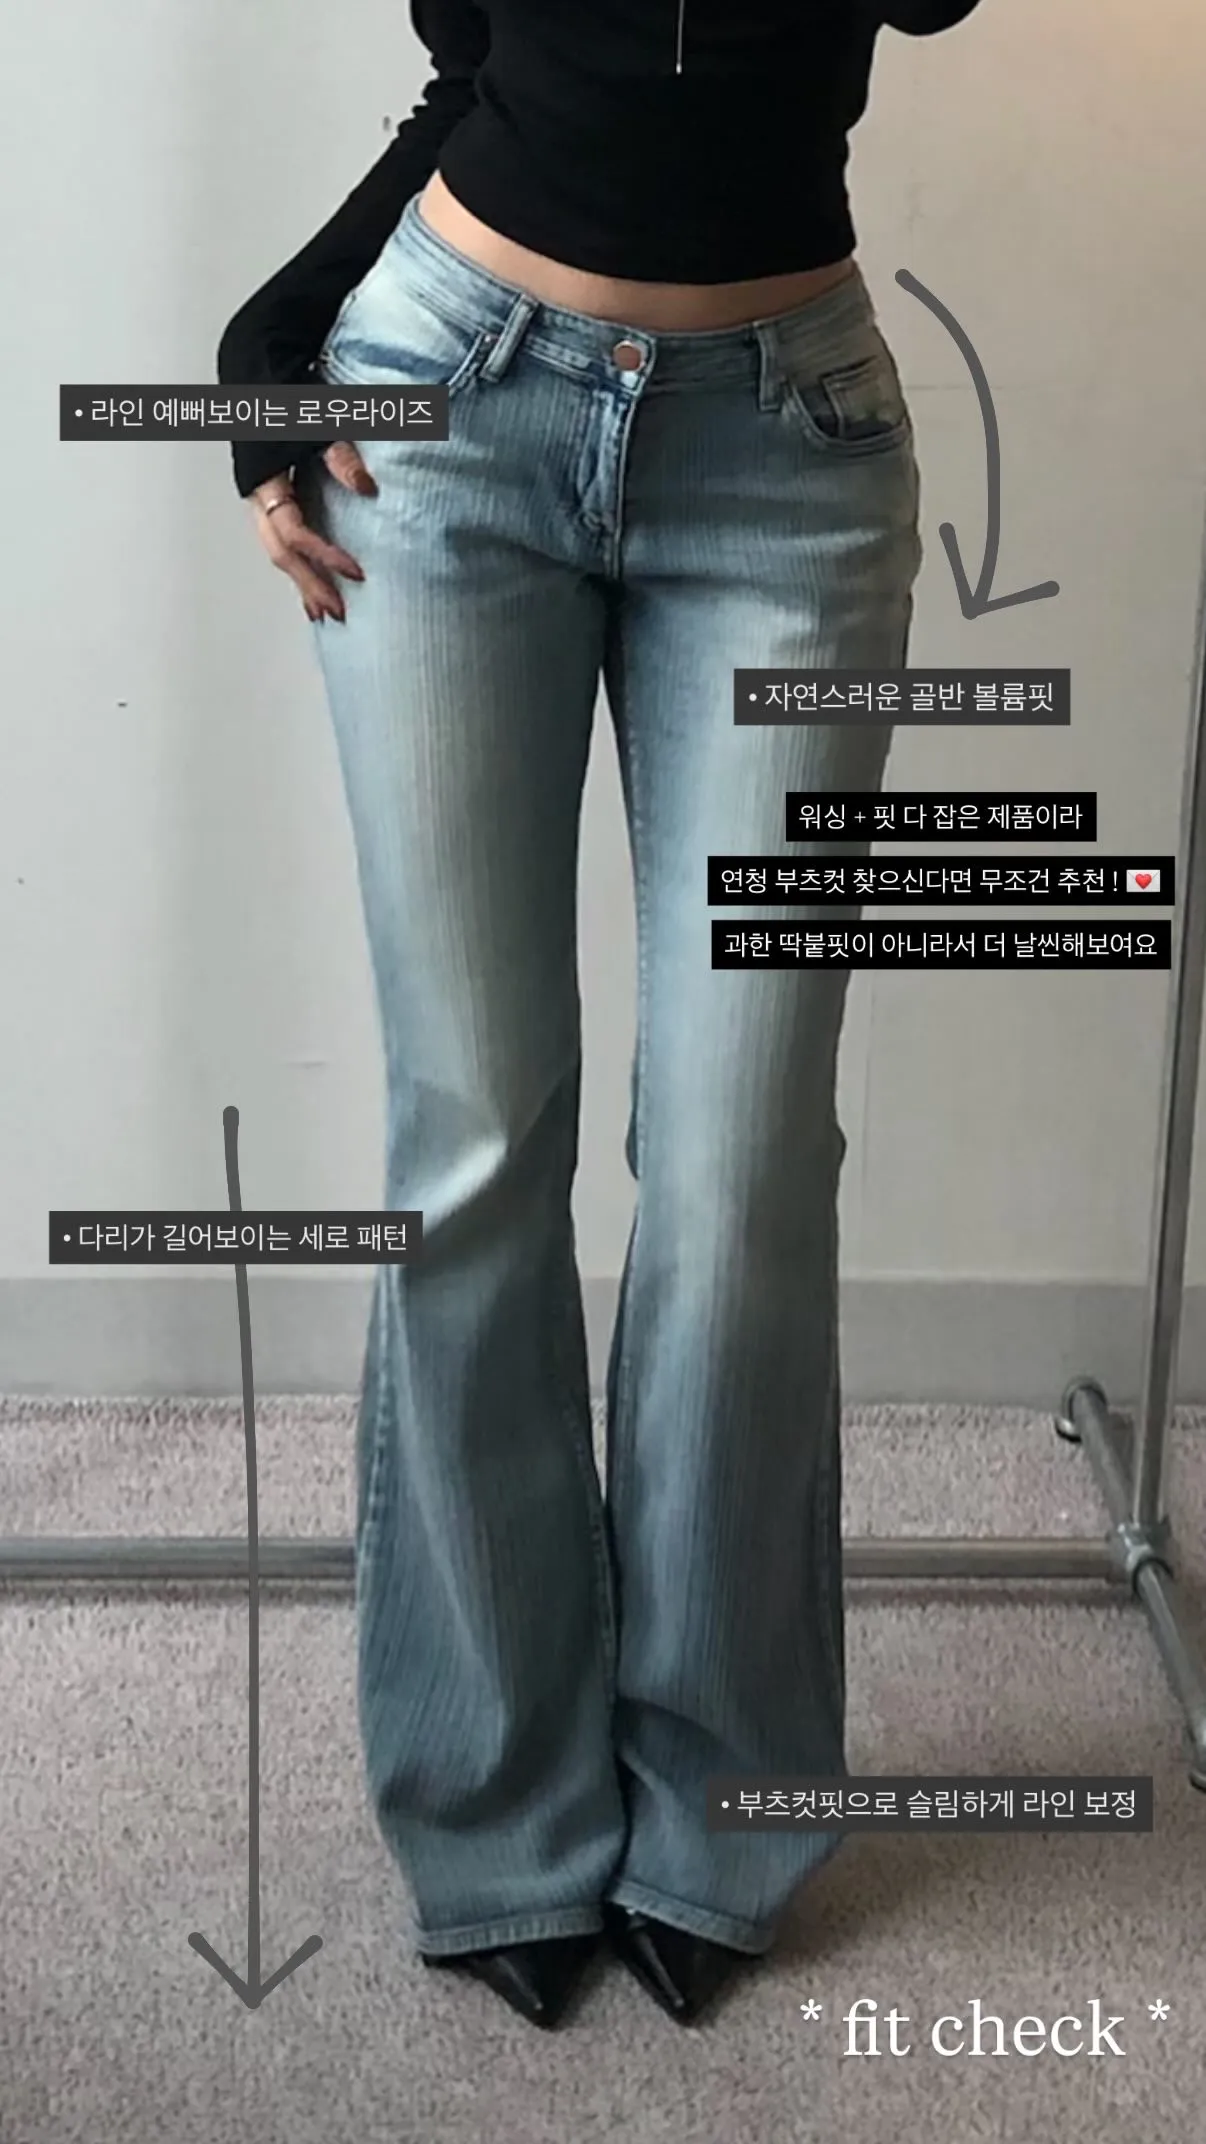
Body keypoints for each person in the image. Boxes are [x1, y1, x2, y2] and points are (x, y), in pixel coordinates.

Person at [217, 0, 984, 2034]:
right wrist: (269, 345)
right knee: (473, 1136)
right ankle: (496, 1804)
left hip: (789, 455)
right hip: (448, 409)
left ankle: (716, 1800)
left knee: (742, 1166)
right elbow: (481, 69)